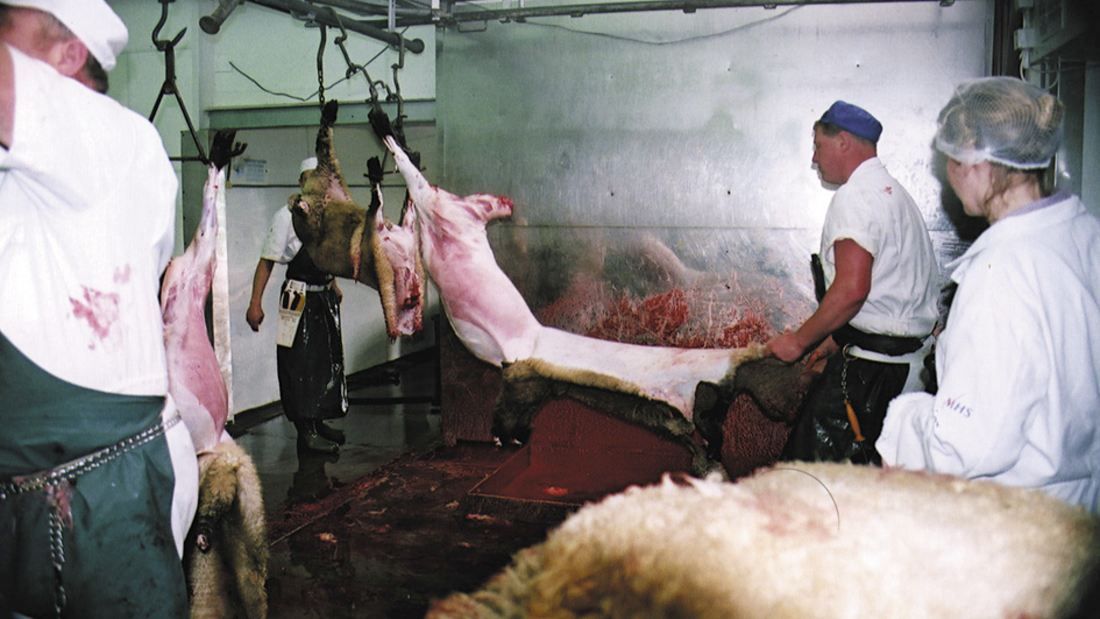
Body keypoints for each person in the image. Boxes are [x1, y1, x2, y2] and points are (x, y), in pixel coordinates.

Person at [0, 1, 197, 616]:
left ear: (69, 54)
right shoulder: (30, 171)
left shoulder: (104, 133)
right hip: (32, 487)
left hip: (103, 490)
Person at [877, 77, 1100, 512]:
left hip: (1023, 523)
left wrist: (904, 420)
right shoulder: (1086, 235)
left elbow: (966, 448)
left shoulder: (1001, 271)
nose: (950, 176)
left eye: (950, 161)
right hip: (1083, 506)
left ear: (976, 160)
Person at [766, 101, 940, 465]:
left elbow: (853, 289)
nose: (814, 159)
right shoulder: (895, 195)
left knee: (807, 483)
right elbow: (887, 291)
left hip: (871, 377)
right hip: (904, 366)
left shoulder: (855, 198)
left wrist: (798, 341)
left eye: (817, 145)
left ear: (843, 141)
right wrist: (836, 338)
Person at [247, 156, 348, 454]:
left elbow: (325, 257)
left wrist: (333, 284)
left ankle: (317, 422)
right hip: (297, 295)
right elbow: (266, 262)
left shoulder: (328, 216)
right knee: (299, 363)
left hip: (323, 297)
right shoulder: (285, 217)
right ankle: (305, 430)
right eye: (308, 179)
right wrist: (255, 304)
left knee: (324, 362)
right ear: (300, 183)